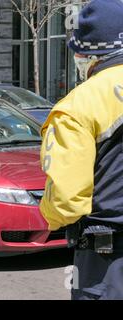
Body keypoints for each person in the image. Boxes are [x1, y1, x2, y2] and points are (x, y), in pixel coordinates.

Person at [40, 0, 123, 300]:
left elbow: (66, 202)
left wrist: (45, 212)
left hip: (106, 259)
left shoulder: (77, 107)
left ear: (87, 54)